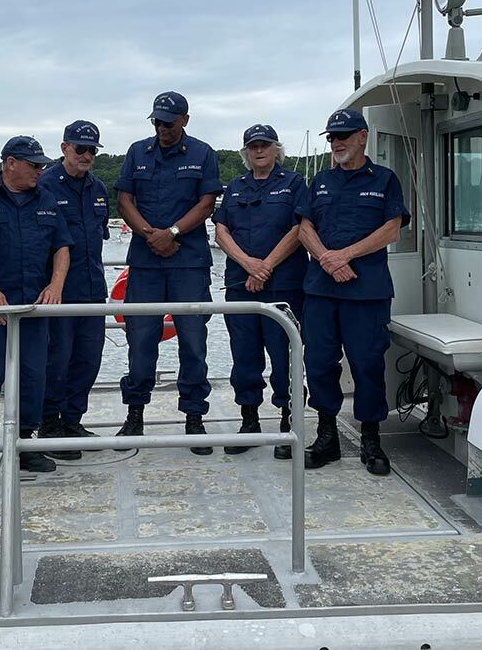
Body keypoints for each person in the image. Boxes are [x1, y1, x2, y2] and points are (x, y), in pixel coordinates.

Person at [296, 108, 409, 475]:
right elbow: (304, 227)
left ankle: (371, 438)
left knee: (367, 364)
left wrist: (343, 255)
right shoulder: (321, 181)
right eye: (332, 137)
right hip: (321, 291)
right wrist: (327, 259)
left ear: (363, 136)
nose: (337, 142)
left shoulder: (385, 180)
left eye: (344, 135)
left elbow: (391, 229)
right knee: (319, 363)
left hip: (366, 292)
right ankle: (326, 435)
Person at [0, 136, 72, 490]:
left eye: (41, 165)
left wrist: (56, 287)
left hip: (33, 308)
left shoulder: (47, 200)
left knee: (32, 377)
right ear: (10, 163)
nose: (40, 170)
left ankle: (24, 444)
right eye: (33, 164)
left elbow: (62, 247)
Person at [114, 91, 223, 452]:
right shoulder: (136, 152)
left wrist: (172, 233)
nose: (162, 128)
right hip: (145, 262)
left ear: (184, 121)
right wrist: (150, 235)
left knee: (193, 343)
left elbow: (206, 203)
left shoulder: (202, 153)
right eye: (157, 121)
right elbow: (124, 199)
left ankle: (194, 417)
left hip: (188, 262)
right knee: (140, 342)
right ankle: (134, 416)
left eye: (168, 122)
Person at [213, 124, 307, 459]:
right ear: (245, 152)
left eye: (264, 145)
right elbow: (221, 231)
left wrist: (265, 265)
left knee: (284, 357)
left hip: (284, 286)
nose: (258, 150)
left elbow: (300, 229)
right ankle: (249, 422)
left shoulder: (294, 183)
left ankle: (287, 423)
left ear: (276, 149)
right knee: (244, 356)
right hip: (241, 285)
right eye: (252, 146)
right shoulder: (235, 186)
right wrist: (249, 265)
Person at [37, 121, 111, 460]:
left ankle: (72, 419)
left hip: (93, 287)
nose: (86, 155)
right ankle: (49, 423)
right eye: (80, 148)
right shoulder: (45, 185)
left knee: (88, 359)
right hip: (59, 291)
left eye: (92, 150)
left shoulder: (98, 188)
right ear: (65, 147)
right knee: (57, 359)